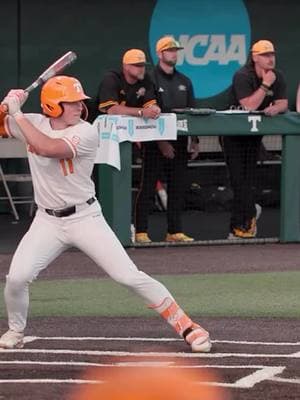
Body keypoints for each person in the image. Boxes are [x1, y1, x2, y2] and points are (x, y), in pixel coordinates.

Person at [0, 75, 211, 353]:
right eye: (71, 103)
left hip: (85, 218)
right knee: (16, 278)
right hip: (47, 220)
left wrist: (16, 113)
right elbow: (12, 126)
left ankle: (187, 325)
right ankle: (16, 330)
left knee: (127, 275)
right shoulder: (32, 123)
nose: (80, 107)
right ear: (52, 106)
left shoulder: (85, 132)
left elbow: (47, 147)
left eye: (79, 102)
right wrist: (6, 107)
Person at [134, 36, 199, 243]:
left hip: (180, 141)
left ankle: (174, 231)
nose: (174, 53)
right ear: (160, 54)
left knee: (178, 186)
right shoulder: (150, 78)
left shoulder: (184, 81)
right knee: (148, 184)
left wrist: (194, 140)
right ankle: (141, 230)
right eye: (169, 50)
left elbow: (192, 112)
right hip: (153, 141)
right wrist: (162, 143)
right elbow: (150, 112)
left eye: (176, 50)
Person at [222, 40, 288, 239]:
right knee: (237, 181)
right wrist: (265, 84)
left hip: (253, 136)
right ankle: (243, 220)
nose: (270, 58)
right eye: (266, 55)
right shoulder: (243, 75)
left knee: (248, 180)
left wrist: (274, 108)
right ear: (255, 57)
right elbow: (249, 106)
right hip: (232, 134)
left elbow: (283, 103)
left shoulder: (279, 76)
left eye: (272, 54)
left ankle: (240, 227)